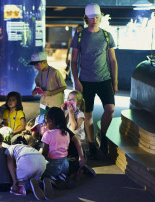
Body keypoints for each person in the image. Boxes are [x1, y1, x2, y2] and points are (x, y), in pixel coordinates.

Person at [70, 3, 118, 158]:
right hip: (86, 81)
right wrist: (76, 81)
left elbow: (113, 61)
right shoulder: (79, 36)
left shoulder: (106, 35)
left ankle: (102, 135)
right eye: (91, 17)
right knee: (88, 115)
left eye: (97, 17)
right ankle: (91, 144)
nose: (94, 20)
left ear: (100, 17)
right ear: (86, 18)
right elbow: (73, 61)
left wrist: (115, 82)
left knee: (110, 109)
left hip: (105, 80)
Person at [41, 107, 85, 183]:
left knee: (41, 172)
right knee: (64, 168)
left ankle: (53, 179)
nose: (46, 124)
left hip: (57, 162)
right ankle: (65, 176)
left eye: (46, 121)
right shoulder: (66, 133)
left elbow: (45, 152)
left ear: (51, 121)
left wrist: (81, 157)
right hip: (65, 164)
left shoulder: (47, 134)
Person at [5, 135, 54, 200]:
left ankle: (29, 185)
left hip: (26, 160)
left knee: (18, 184)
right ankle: (42, 183)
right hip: (41, 161)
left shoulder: (11, 147)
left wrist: (14, 180)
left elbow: (9, 162)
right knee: (35, 180)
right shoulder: (29, 147)